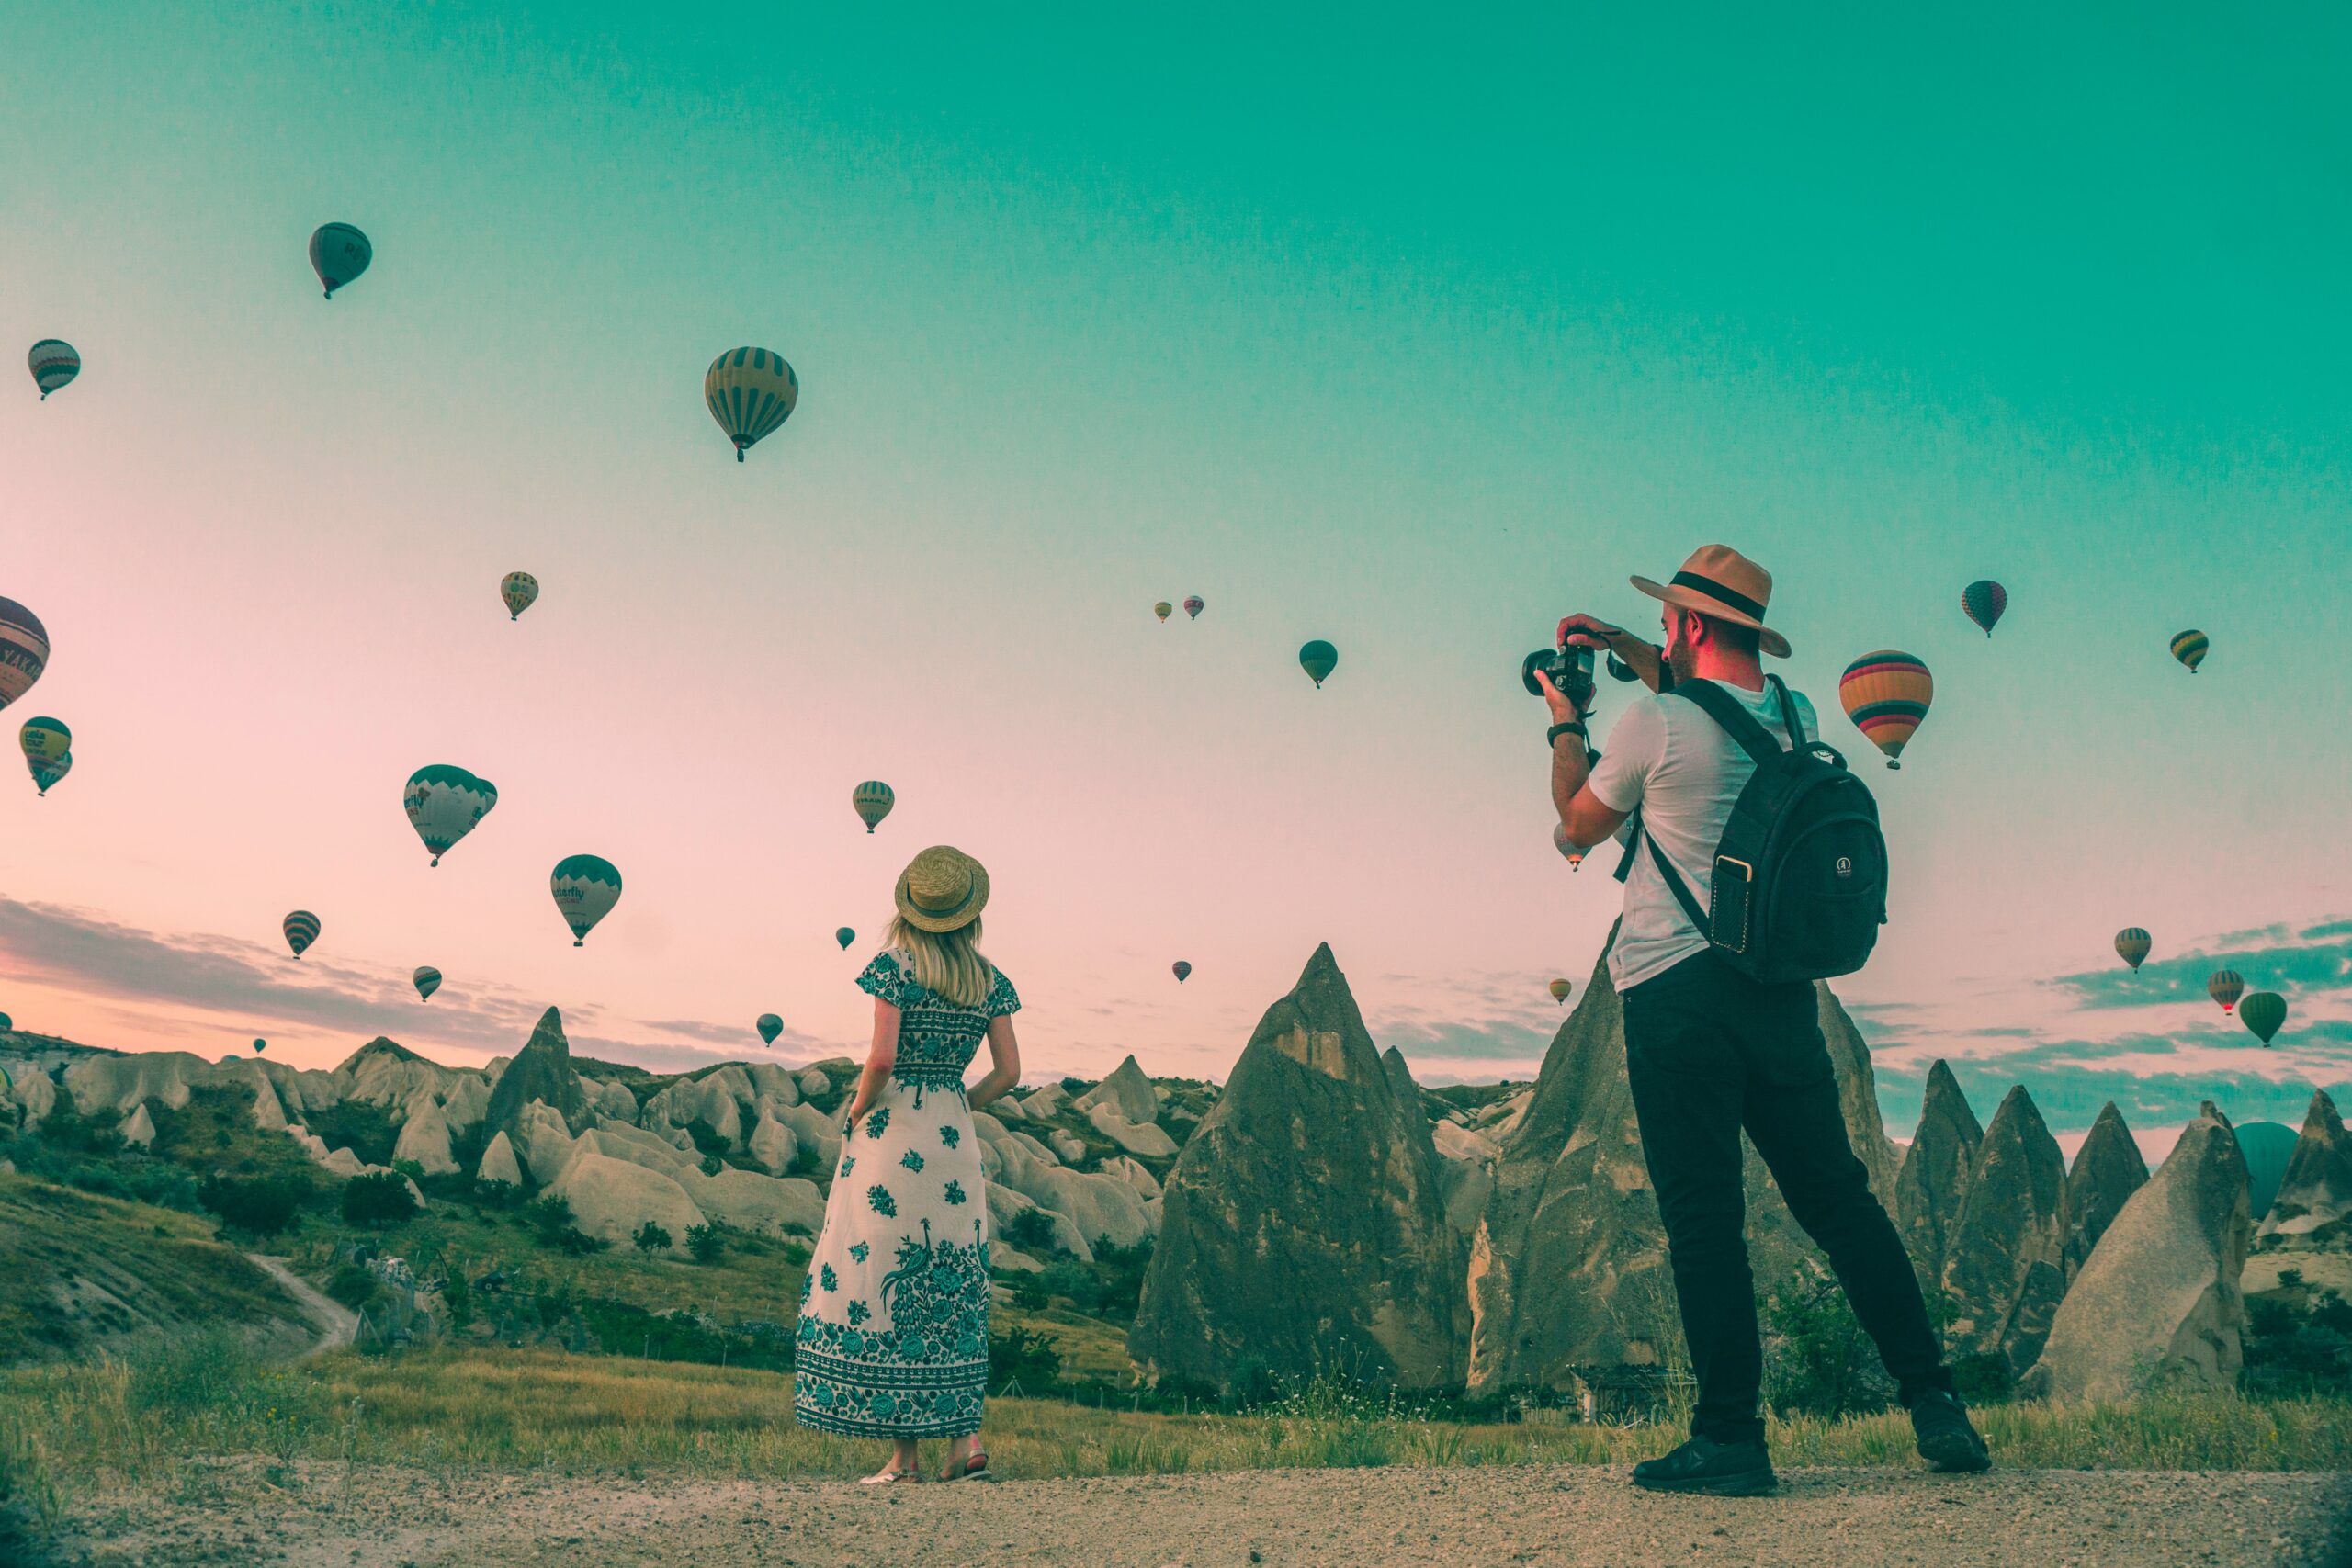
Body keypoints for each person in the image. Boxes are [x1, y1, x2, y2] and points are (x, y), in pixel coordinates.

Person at [1539, 545, 1988, 1495]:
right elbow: (1711, 700)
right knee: (1840, 1202)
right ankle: (1935, 1402)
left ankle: (1732, 1438)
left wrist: (1564, 724)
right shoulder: (1795, 718)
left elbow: (1576, 827)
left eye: (1667, 621)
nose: (1659, 635)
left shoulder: (1648, 725)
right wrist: (1622, 640)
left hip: (1674, 994)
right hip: (1783, 995)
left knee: (1704, 1219)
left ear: (1692, 626)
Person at [792, 844, 1023, 1483]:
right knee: (955, 1278)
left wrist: (855, 1111)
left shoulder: (894, 966)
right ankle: (965, 1442)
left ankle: (904, 1458)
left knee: (891, 1275)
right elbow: (1010, 1071)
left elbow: (881, 1059)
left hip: (894, 1139)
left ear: (910, 909)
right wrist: (959, 1103)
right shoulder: (989, 978)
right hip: (954, 1140)